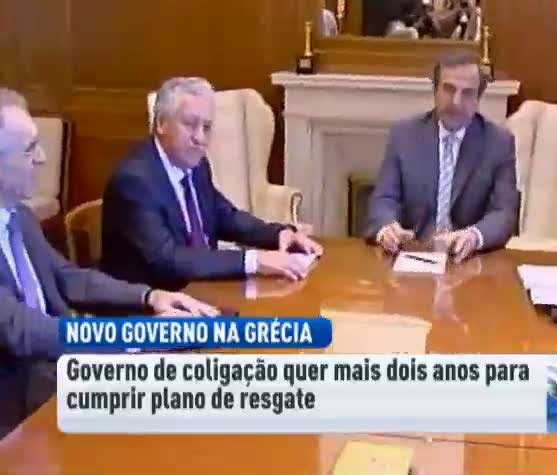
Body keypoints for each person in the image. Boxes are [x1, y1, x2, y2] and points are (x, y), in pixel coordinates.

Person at [0, 87, 219, 437]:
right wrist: (134, 337)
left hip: (60, 369)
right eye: (29, 149)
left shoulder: (18, 217)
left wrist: (150, 297)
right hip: (20, 405)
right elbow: (24, 332)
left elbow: (68, 278)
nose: (42, 158)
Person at [102, 77, 323, 290]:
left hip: (200, 292)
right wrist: (254, 260)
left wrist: (278, 235)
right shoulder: (134, 182)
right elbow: (168, 259)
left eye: (207, 127)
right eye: (190, 124)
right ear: (161, 123)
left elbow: (224, 215)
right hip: (150, 305)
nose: (200, 138)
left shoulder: (196, 164)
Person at [365, 50, 519, 263]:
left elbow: (504, 212)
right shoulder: (404, 135)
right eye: (449, 89)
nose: (456, 101)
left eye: (467, 93)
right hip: (411, 254)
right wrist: (387, 227)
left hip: (468, 260)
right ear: (435, 90)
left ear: (478, 98)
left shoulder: (498, 142)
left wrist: (474, 236)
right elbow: (384, 198)